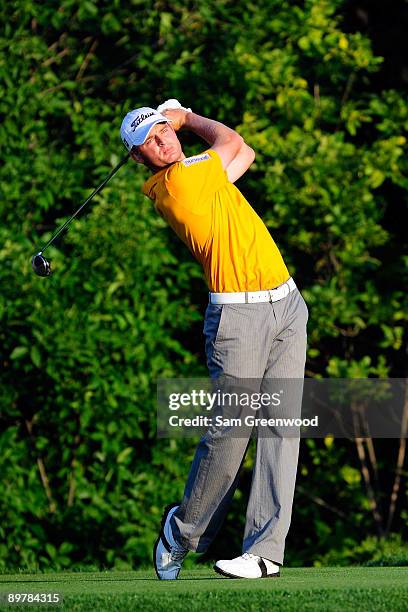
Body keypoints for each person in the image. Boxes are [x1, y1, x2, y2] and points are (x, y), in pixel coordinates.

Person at [120, 102, 308, 580]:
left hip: (286, 303)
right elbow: (228, 141)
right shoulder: (178, 184)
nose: (163, 141)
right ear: (139, 159)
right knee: (231, 433)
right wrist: (186, 116)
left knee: (282, 427)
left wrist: (179, 123)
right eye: (151, 142)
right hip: (237, 318)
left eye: (164, 131)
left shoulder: (201, 175)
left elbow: (244, 151)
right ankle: (181, 533)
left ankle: (264, 551)